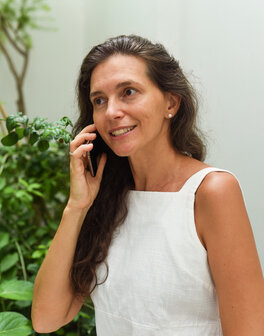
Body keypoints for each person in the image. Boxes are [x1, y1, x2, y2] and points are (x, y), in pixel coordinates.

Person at [31, 35, 264, 335]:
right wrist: (76, 207)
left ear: (171, 102)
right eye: (99, 100)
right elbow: (46, 318)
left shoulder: (210, 192)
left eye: (128, 92)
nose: (111, 111)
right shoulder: (105, 198)